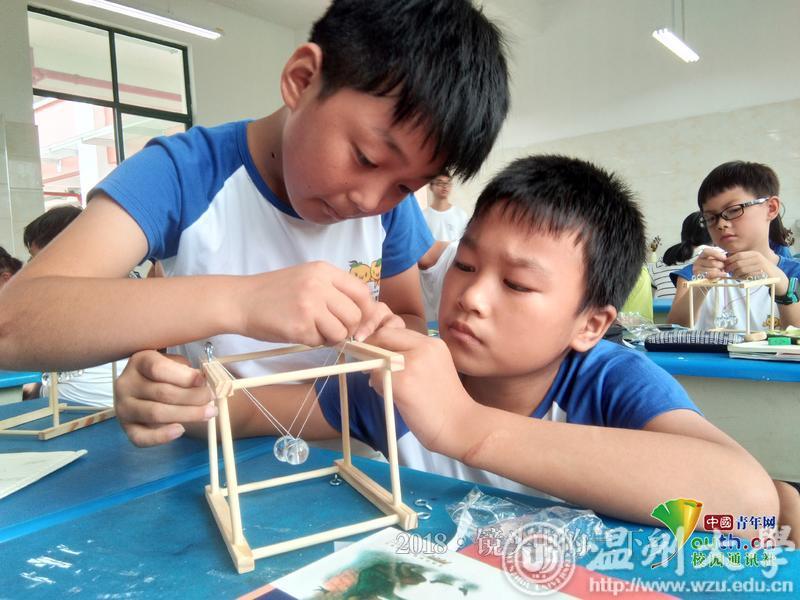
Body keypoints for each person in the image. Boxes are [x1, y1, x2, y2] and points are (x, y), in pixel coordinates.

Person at [114, 155, 778, 537]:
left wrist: (464, 426)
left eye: (517, 284)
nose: (472, 296)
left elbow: (747, 500)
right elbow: (256, 410)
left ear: (590, 325)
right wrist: (179, 397)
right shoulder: (403, 377)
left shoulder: (609, 383)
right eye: (465, 264)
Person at [0, 0, 510, 387]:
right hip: (212, 457)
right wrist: (240, 301)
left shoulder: (388, 211)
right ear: (302, 80)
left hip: (347, 450)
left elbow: (410, 317)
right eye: (366, 158)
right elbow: (15, 322)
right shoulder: (183, 173)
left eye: (405, 186)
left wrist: (386, 336)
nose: (370, 201)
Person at [667, 161, 800, 331]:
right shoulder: (697, 272)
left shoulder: (794, 274)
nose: (721, 224)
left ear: (771, 208)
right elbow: (674, 330)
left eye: (734, 210)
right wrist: (700, 285)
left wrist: (784, 290)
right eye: (710, 218)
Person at [21, 207, 127, 407]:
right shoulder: (116, 285)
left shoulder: (94, 294)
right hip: (72, 408)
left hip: (95, 411)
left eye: (38, 260)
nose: (32, 268)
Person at [647, 212, 711, 299]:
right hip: (693, 307)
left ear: (683, 233)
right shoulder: (718, 261)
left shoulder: (663, 261)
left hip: (662, 308)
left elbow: (643, 272)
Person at [423, 172, 469, 241]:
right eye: (440, 183)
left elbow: (465, 242)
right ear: (431, 187)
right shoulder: (423, 216)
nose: (445, 186)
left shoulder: (461, 214)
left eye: (448, 183)